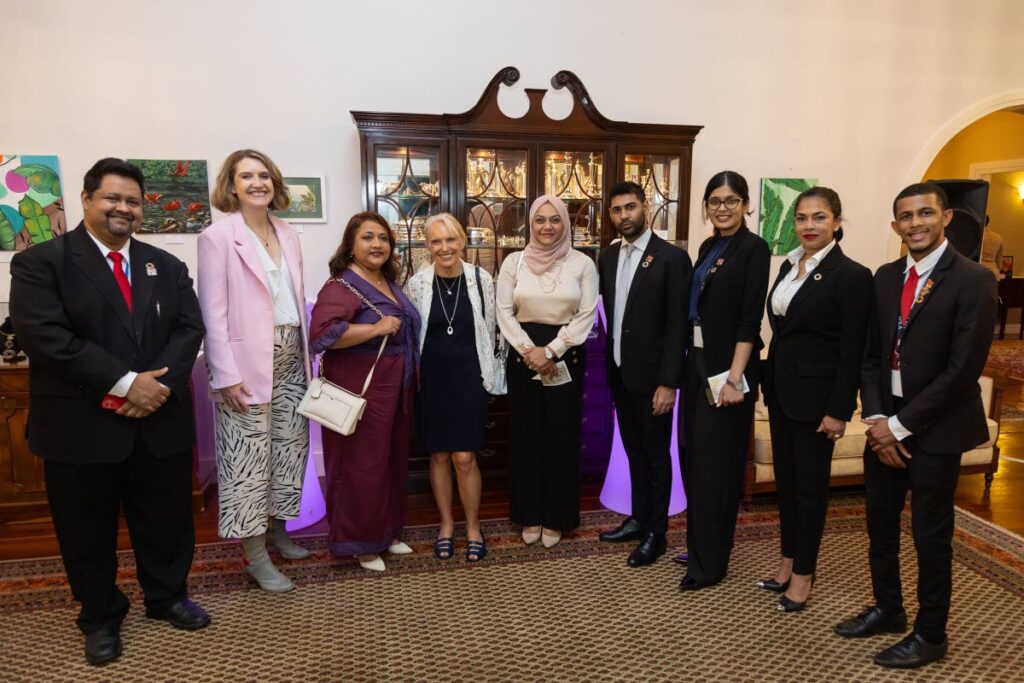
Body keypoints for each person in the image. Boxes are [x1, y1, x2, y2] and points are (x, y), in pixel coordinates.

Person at [9, 158, 209, 666]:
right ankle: (99, 617)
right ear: (86, 199)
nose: (123, 208)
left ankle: (167, 598)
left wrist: (155, 387)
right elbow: (46, 337)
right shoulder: (41, 263)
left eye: (133, 201)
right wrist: (127, 384)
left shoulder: (166, 266)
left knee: (165, 520)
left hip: (158, 421)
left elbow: (190, 328)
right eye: (112, 198)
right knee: (85, 528)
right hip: (81, 426)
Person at [834, 183, 997, 669]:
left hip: (936, 426)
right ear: (895, 226)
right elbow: (870, 356)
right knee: (879, 525)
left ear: (945, 217)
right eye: (905, 216)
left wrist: (899, 427)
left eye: (925, 213)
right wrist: (879, 418)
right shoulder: (884, 278)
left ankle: (930, 634)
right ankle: (888, 609)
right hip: (888, 417)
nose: (915, 223)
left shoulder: (973, 280)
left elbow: (963, 370)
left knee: (930, 535)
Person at [198, 149, 311, 593]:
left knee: (289, 449)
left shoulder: (288, 232)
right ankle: (256, 555)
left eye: (264, 175)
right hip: (243, 367)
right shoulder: (217, 236)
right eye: (247, 176)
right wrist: (224, 374)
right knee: (247, 460)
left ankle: (279, 529)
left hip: (290, 359)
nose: (257, 183)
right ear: (232, 186)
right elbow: (213, 311)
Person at [759, 187, 872, 611]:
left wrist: (839, 410)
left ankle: (805, 574)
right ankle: (788, 561)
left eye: (819, 217)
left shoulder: (852, 275)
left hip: (818, 402)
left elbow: (853, 349)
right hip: (783, 394)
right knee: (786, 489)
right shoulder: (789, 266)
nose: (809, 225)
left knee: (810, 492)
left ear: (838, 222)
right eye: (802, 218)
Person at [309, 211, 421, 572]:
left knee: (390, 462)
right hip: (361, 390)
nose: (377, 244)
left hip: (395, 389)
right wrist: (375, 329)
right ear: (351, 245)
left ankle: (386, 532)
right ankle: (360, 542)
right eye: (368, 237)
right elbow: (322, 335)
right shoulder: (341, 286)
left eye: (383, 238)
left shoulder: (387, 281)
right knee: (361, 467)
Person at [678, 171, 770, 591]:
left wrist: (734, 380)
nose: (723, 208)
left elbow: (750, 320)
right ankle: (699, 547)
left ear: (746, 204)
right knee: (694, 463)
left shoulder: (754, 248)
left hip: (727, 373)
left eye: (731, 200)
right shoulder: (708, 245)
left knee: (718, 470)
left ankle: (711, 564)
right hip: (697, 365)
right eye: (715, 201)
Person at [597, 181, 691, 567]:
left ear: (646, 206)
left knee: (656, 455)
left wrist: (669, 382)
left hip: (655, 380)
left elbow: (676, 327)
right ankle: (638, 517)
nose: (624, 216)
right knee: (634, 451)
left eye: (630, 207)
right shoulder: (608, 256)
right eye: (617, 210)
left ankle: (658, 532)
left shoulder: (671, 258)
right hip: (620, 373)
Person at [496, 195, 598, 548]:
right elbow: (503, 312)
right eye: (540, 220)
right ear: (530, 223)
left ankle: (556, 517)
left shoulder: (583, 264)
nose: (547, 227)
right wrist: (529, 350)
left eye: (555, 220)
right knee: (525, 436)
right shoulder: (514, 262)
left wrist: (552, 350)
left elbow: (586, 314)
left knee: (561, 437)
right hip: (523, 351)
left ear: (565, 224)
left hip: (565, 353)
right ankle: (530, 515)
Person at [405, 213, 496, 562]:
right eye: (436, 241)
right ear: (428, 246)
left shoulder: (481, 279)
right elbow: (414, 336)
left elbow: (488, 332)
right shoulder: (417, 283)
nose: (444, 248)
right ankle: (446, 524)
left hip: (469, 377)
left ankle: (473, 527)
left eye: (450, 240)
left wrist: (483, 376)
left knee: (464, 456)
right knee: (440, 455)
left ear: (461, 241)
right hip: (431, 381)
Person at [980, 216, 1003, 281]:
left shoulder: (978, 235)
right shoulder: (998, 237)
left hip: (979, 271)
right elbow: (999, 259)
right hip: (993, 272)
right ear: (988, 223)